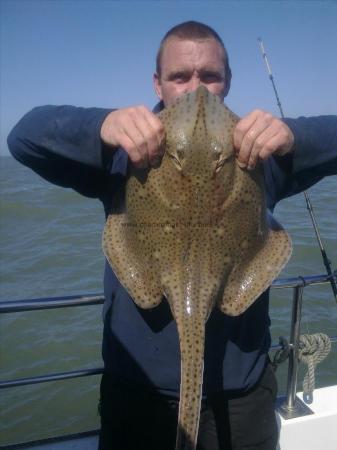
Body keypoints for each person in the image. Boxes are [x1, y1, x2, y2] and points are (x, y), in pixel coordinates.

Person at [7, 21, 337, 450]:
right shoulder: (123, 158)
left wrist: (294, 136)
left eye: (210, 76)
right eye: (180, 77)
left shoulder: (258, 156)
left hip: (240, 399)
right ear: (158, 84)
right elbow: (23, 138)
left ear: (228, 83)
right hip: (139, 397)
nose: (196, 91)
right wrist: (101, 127)